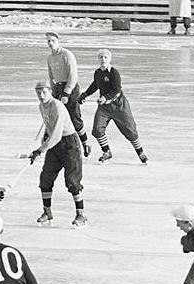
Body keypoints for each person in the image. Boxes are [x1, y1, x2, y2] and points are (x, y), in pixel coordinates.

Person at [27, 81, 87, 229]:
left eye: (44, 92)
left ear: (50, 92)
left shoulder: (57, 107)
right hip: (54, 145)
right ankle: (47, 212)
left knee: (72, 181)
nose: (41, 95)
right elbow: (49, 128)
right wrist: (43, 142)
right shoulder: (42, 106)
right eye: (38, 93)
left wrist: (40, 150)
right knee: (45, 178)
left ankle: (81, 215)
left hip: (69, 144)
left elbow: (57, 135)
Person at [78, 49, 148, 164]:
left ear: (110, 59)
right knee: (97, 129)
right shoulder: (98, 73)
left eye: (105, 57)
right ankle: (106, 152)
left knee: (130, 130)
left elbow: (117, 89)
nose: (103, 60)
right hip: (104, 107)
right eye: (100, 57)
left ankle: (140, 152)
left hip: (119, 106)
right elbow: (95, 85)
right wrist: (85, 94)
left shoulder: (114, 73)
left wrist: (106, 97)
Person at [45, 32, 92, 158]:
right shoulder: (50, 58)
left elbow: (73, 75)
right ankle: (48, 146)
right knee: (55, 116)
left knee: (74, 117)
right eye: (48, 41)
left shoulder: (66, 54)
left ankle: (85, 143)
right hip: (58, 88)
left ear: (58, 41)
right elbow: (51, 76)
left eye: (53, 40)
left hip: (70, 89)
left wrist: (67, 92)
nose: (50, 43)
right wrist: (53, 92)